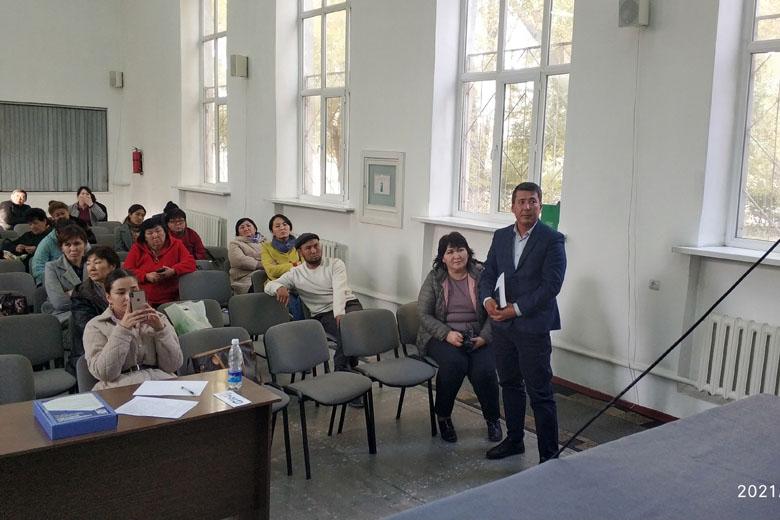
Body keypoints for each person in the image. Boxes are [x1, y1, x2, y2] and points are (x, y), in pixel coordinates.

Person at [478, 182, 566, 464]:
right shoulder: (501, 236)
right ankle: (514, 440)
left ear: (540, 205)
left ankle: (548, 456)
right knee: (509, 384)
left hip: (533, 327)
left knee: (540, 392)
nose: (527, 207)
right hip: (502, 328)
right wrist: (487, 301)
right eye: (521, 202)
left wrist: (515, 310)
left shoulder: (552, 240)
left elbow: (551, 286)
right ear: (513, 206)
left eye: (533, 201)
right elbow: (488, 273)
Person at [417, 232, 501, 444]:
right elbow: (424, 314)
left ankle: (493, 420)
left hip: (477, 336)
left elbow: (495, 312)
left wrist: (484, 337)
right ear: (443, 258)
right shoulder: (435, 278)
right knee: (455, 364)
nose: (456, 256)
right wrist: (447, 334)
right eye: (450, 252)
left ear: (468, 252)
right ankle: (443, 417)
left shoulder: (481, 275)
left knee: (484, 370)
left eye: (461, 250)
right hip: (441, 335)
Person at [265, 232, 362, 372]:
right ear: (300, 252)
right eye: (308, 248)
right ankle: (344, 368)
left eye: (316, 246)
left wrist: (339, 314)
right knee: (349, 330)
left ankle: (345, 367)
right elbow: (269, 285)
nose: (314, 250)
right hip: (323, 313)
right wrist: (278, 287)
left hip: (348, 304)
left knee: (351, 325)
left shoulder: (335, 264)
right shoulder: (296, 273)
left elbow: (339, 290)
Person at [83, 269, 183, 390]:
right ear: (109, 297)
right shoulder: (95, 326)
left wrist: (161, 331)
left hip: (159, 382)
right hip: (120, 387)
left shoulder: (158, 318)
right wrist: (123, 330)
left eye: (134, 291)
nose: (128, 298)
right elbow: (104, 373)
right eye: (121, 293)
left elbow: (173, 366)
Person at [68, 246, 120, 375]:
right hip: (93, 350)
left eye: (97, 263)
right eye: (88, 264)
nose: (91, 268)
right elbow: (88, 328)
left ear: (112, 266)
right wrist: (124, 329)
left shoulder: (126, 286)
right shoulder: (81, 293)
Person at [123, 216, 196, 306]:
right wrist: (145, 276)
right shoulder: (137, 247)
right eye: (150, 233)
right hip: (141, 296)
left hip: (171, 297)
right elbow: (127, 271)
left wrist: (173, 271)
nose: (155, 236)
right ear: (144, 237)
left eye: (158, 231)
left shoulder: (176, 244)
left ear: (165, 232)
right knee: (139, 313)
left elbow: (191, 263)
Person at [30, 201, 95, 285]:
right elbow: (38, 269)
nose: (72, 248)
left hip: (80, 278)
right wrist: (56, 279)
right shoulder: (46, 243)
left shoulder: (79, 235)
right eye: (67, 244)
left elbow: (90, 258)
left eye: (63, 213)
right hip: (54, 280)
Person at [42, 224, 89, 323]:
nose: (73, 248)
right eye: (67, 245)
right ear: (61, 248)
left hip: (90, 313)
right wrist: (88, 294)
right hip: (63, 315)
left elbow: (103, 296)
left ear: (85, 245)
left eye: (77, 243)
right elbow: (59, 303)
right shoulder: (51, 267)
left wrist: (71, 293)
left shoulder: (92, 264)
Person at [228, 217, 264, 294]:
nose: (246, 228)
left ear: (255, 229)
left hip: (267, 273)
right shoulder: (235, 243)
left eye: (248, 226)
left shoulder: (265, 242)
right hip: (245, 278)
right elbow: (239, 260)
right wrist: (261, 264)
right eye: (242, 227)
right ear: (238, 232)